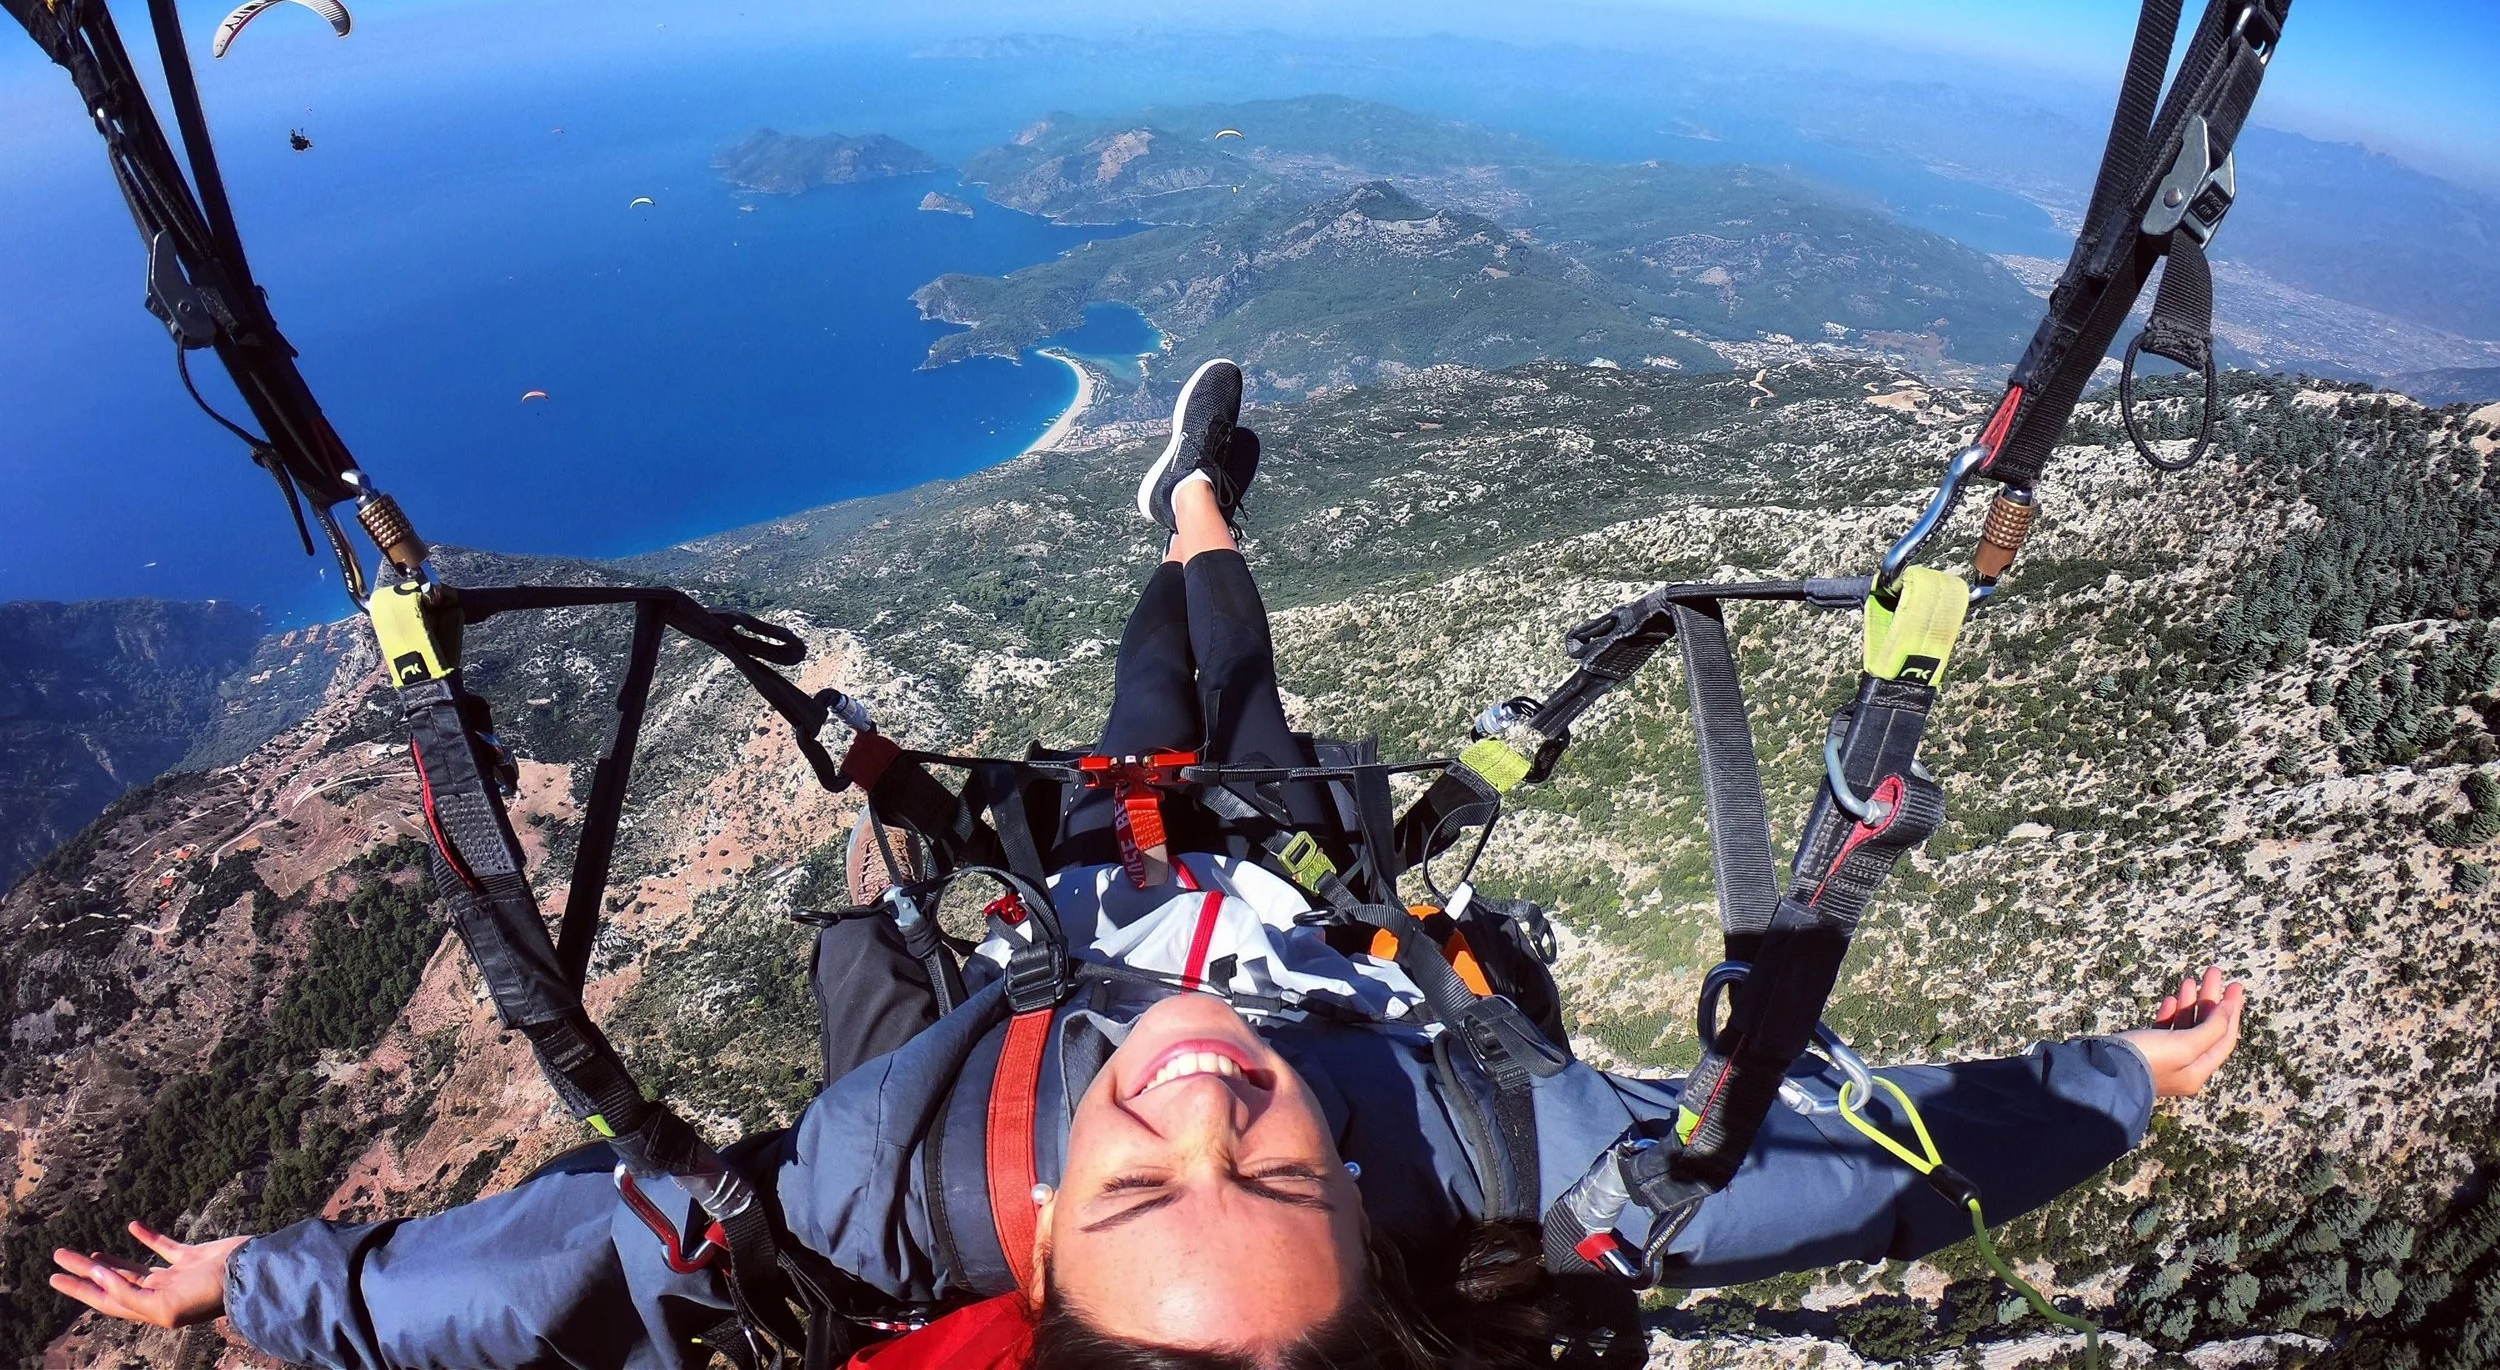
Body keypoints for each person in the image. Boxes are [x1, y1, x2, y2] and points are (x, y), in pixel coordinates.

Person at [53, 360, 2249, 1370]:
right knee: (1241, 681)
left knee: (1140, 708)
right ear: (1378, 1253)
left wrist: (247, 1283)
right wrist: (2129, 1082)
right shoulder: (1497, 1170)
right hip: (1308, 877)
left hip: (1080, 883)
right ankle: (1207, 508)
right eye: (1286, 1178)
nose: (1206, 1103)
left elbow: (551, 1266)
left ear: (1038, 1255)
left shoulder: (876, 1192)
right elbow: (1856, 1173)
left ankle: (1187, 523)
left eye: (1132, 1189)